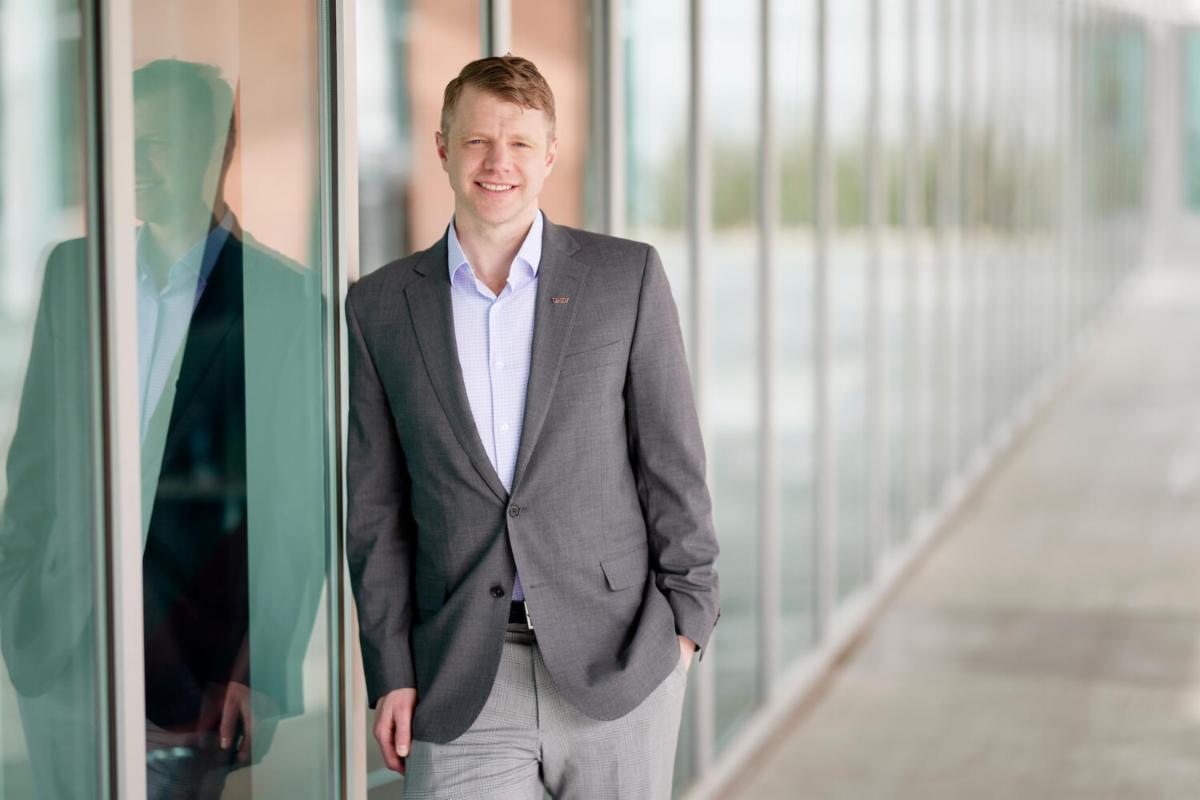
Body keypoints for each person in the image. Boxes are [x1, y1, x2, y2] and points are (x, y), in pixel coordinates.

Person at [346, 54, 720, 798]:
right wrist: (389, 672)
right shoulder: (381, 306)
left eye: (520, 143)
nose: (498, 162)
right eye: (479, 141)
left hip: (619, 660)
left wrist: (686, 625)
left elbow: (672, 462)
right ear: (444, 148)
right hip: (461, 676)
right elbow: (376, 510)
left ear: (551, 154)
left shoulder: (625, 279)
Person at [0, 58, 325, 799]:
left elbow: (295, 510)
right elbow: (35, 467)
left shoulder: (281, 297)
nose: (136, 163)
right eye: (128, 139)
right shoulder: (75, 275)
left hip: (192, 673)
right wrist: (16, 601)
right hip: (59, 654)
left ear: (218, 148)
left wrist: (259, 669)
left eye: (161, 142)